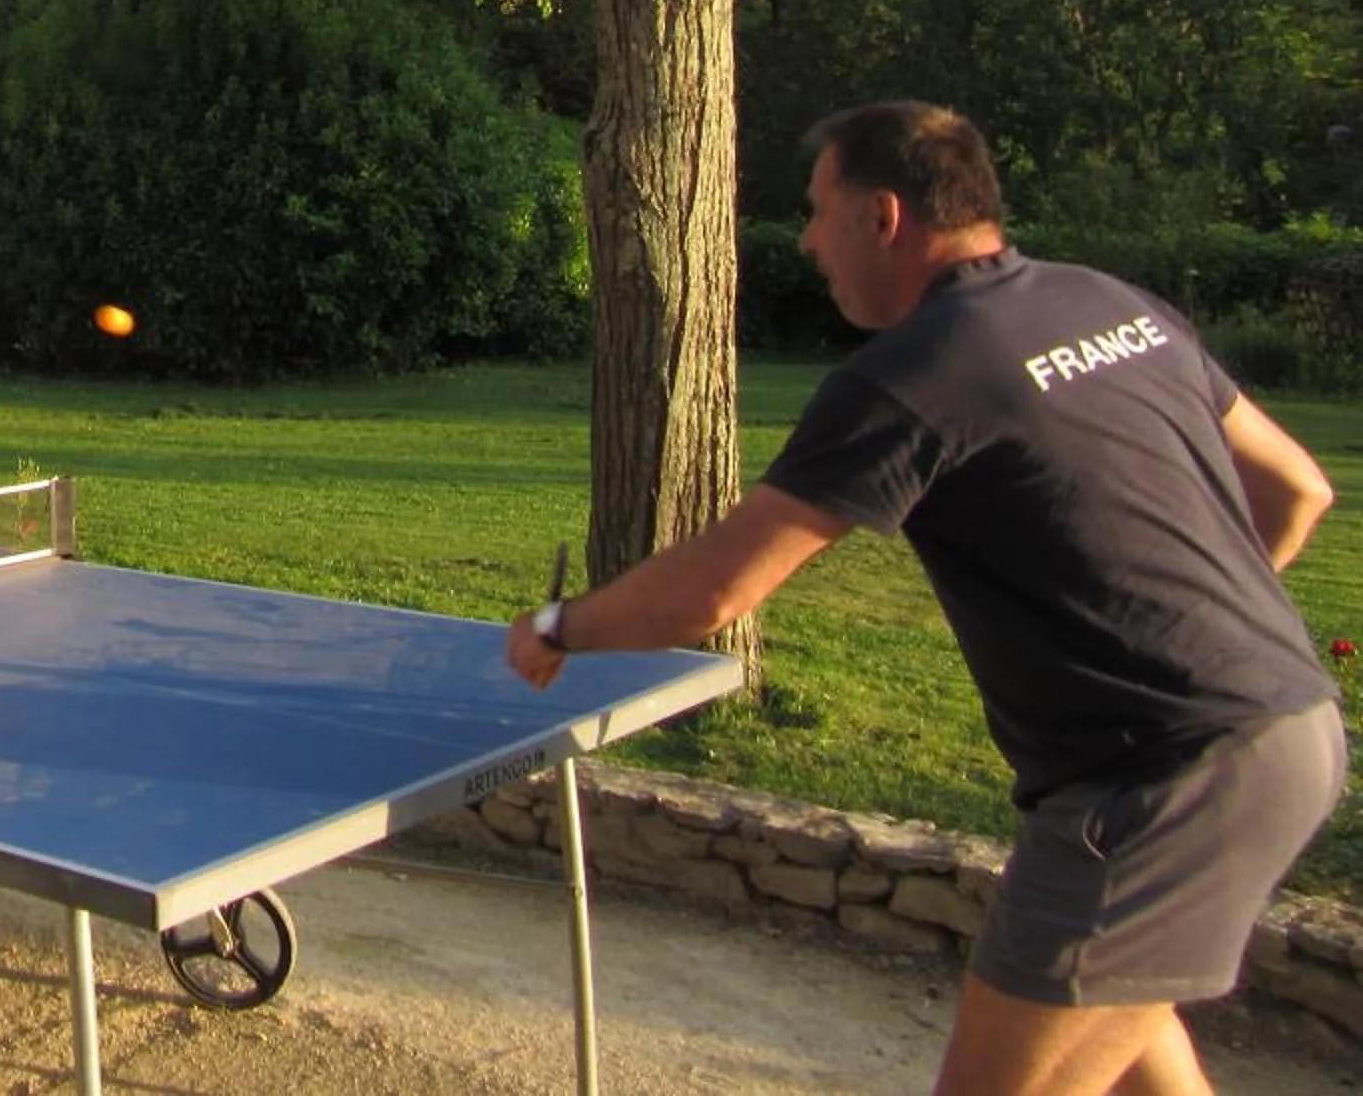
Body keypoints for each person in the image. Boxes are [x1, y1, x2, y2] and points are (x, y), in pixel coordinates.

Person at [508, 101, 1341, 1096]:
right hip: (1291, 731)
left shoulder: (914, 376)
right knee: (1135, 1047)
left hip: (1156, 784)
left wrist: (563, 626)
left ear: (883, 216)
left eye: (819, 212)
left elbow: (717, 589)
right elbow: (1300, 489)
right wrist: (1199, 629)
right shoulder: (1110, 305)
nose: (809, 240)